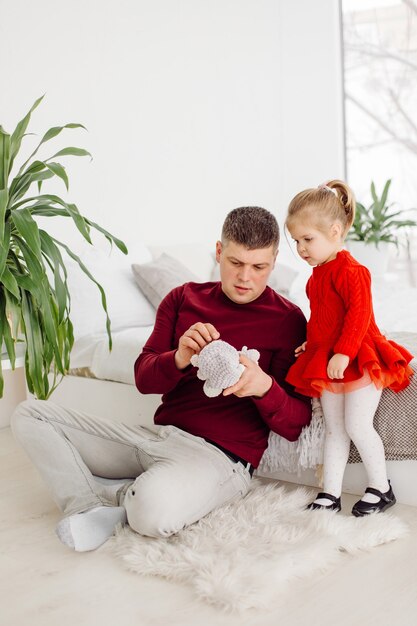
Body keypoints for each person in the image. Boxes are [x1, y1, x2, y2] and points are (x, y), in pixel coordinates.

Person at [11, 206, 312, 552]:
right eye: (235, 263)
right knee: (30, 415)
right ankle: (88, 503)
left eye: (259, 267)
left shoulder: (288, 320)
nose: (245, 277)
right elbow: (144, 378)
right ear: (218, 252)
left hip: (218, 459)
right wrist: (179, 357)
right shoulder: (182, 298)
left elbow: (296, 423)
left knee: (151, 512)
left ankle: (117, 493)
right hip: (156, 438)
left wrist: (264, 387)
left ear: (274, 261)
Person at [284, 180, 414, 516]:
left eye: (307, 239)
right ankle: (331, 493)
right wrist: (310, 345)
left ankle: (381, 487)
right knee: (335, 429)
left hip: (359, 356)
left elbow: (358, 316)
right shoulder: (315, 278)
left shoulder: (353, 271)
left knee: (358, 425)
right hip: (330, 358)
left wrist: (342, 352)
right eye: (297, 240)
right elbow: (322, 319)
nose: (300, 248)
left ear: (336, 230)